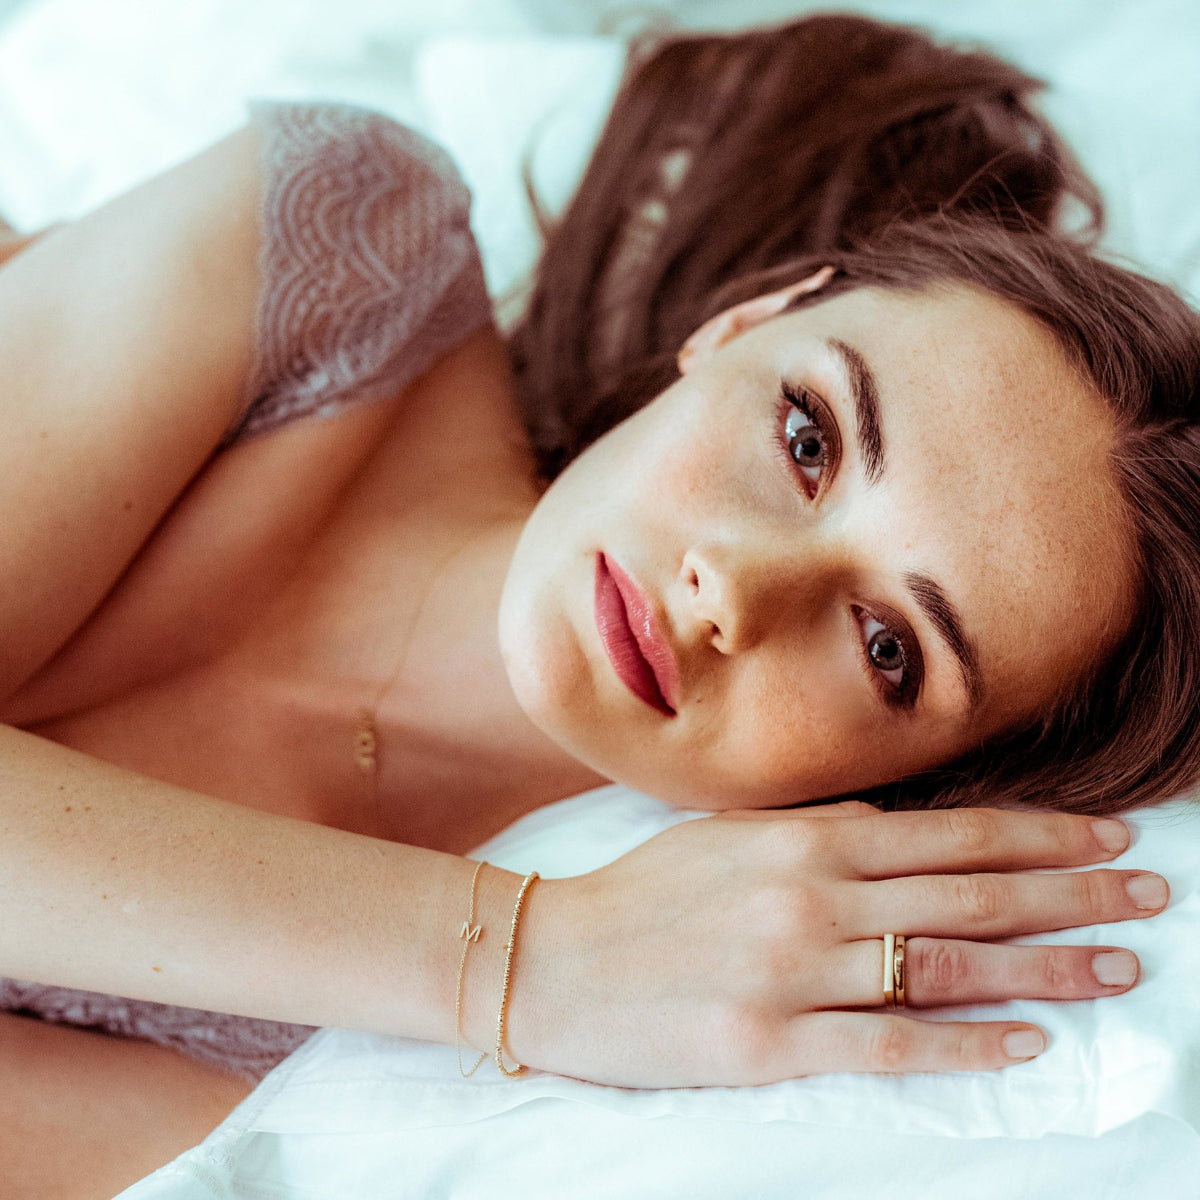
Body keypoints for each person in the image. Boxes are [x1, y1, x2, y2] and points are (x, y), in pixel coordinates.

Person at [0, 12, 1197, 1196]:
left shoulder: (379, 1073)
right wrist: (522, 961)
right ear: (745, 322)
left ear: (932, 780)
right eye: (807, 437)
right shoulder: (342, 243)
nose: (736, 587)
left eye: (889, 647)